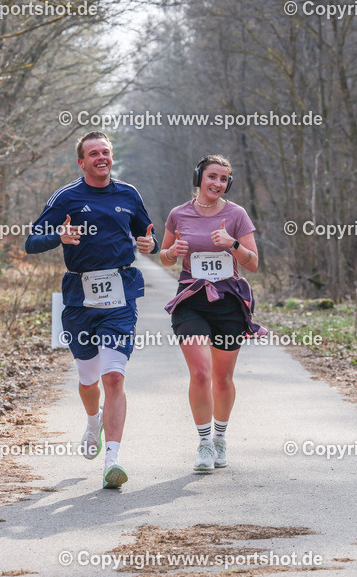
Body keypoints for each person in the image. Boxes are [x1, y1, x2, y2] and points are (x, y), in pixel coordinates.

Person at [25, 131, 158, 489]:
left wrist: (150, 243)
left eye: (106, 152)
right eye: (94, 153)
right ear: (82, 161)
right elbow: (31, 241)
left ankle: (112, 460)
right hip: (79, 298)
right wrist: (59, 237)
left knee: (113, 376)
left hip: (120, 295)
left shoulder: (128, 194)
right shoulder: (66, 197)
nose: (102, 157)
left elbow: (148, 235)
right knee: (88, 380)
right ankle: (92, 419)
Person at [159, 155, 266, 472]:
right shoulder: (179, 214)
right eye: (212, 177)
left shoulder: (237, 215)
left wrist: (232, 244)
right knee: (201, 372)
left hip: (228, 302)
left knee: (222, 378)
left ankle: (220, 438)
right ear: (199, 178)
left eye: (223, 179)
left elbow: (252, 263)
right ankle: (204, 443)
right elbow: (164, 257)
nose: (217, 183)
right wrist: (172, 252)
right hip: (191, 300)